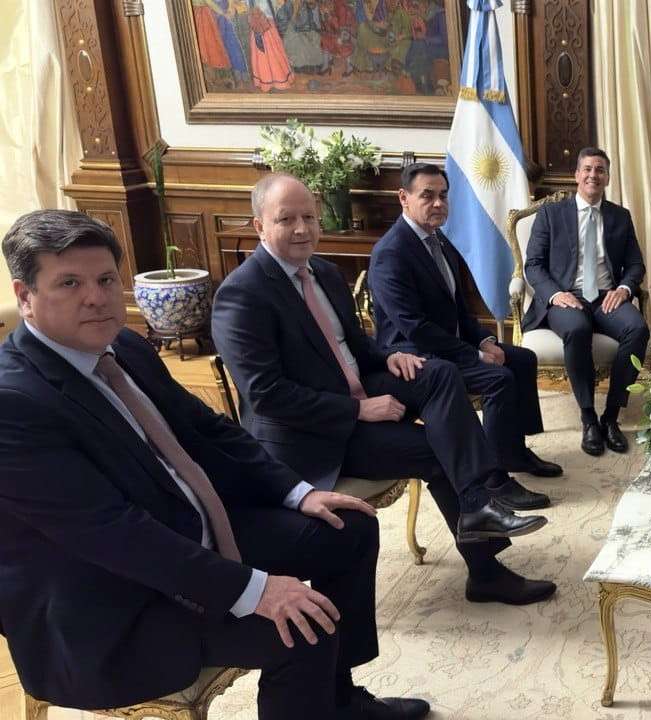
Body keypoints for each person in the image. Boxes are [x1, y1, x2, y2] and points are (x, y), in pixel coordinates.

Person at [0, 209, 429, 719]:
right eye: (69, 283)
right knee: (303, 629)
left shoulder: (125, 346)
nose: (95, 297)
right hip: (112, 603)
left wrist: (298, 492)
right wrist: (255, 589)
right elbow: (113, 533)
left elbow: (209, 429)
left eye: (105, 279)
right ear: (26, 297)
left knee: (349, 526)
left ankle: (339, 698)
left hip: (183, 532)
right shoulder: (14, 401)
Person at [212, 173, 557, 607]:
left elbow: (356, 345)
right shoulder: (241, 295)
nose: (302, 228)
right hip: (311, 436)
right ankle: (486, 569)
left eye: (309, 217)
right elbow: (268, 396)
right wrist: (358, 410)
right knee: (436, 447)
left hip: (357, 390)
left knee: (438, 373)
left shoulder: (325, 272)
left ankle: (477, 497)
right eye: (286, 219)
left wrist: (388, 357)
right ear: (260, 225)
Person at [367, 163, 562, 479]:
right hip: (415, 356)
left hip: (449, 344)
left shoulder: (439, 240)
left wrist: (484, 339)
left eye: (443, 195)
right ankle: (494, 475)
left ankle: (514, 452)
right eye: (427, 196)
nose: (438, 203)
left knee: (522, 359)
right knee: (498, 379)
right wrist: (475, 355)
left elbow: (458, 308)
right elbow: (415, 327)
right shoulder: (392, 252)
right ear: (403, 197)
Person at [524, 147, 650, 456]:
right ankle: (588, 417)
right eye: (587, 169)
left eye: (600, 170)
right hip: (567, 298)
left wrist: (624, 288)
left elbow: (635, 264)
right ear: (576, 175)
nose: (593, 175)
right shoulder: (551, 214)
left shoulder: (620, 216)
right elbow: (534, 264)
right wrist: (555, 294)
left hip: (608, 297)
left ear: (607, 177)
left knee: (638, 329)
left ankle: (610, 417)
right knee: (577, 329)